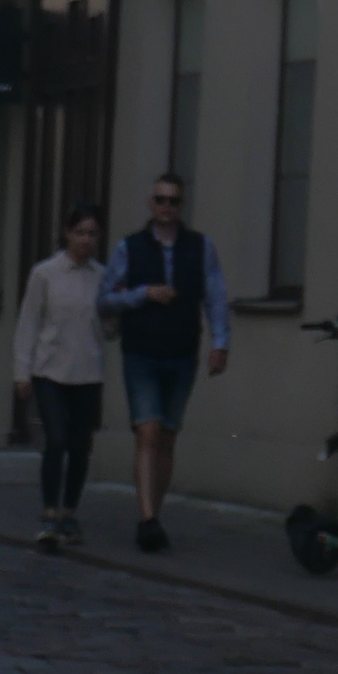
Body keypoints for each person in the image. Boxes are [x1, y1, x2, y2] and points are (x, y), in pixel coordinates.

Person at [100, 173, 228, 552]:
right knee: (148, 432)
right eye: (160, 200)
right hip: (141, 350)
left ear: (181, 206)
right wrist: (142, 294)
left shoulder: (200, 247)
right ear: (150, 204)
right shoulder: (130, 247)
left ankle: (155, 511)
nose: (166, 207)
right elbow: (104, 298)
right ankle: (146, 518)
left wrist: (220, 343)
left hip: (182, 351)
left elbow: (216, 296)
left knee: (168, 436)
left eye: (173, 201)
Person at [12, 205, 108, 552]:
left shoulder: (101, 276)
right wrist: (21, 372)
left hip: (87, 372)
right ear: (67, 233)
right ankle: (48, 512)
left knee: (80, 446)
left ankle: (70, 511)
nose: (85, 240)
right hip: (50, 370)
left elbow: (108, 327)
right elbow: (28, 324)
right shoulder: (46, 274)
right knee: (55, 439)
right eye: (80, 232)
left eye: (92, 234)